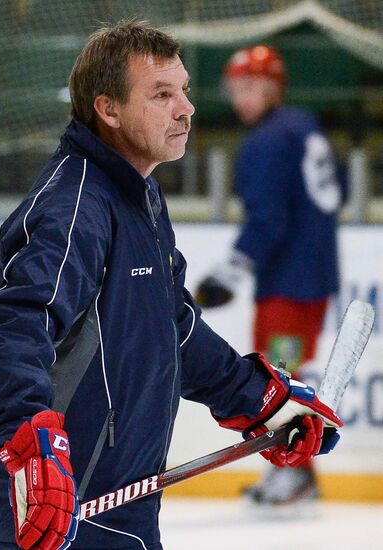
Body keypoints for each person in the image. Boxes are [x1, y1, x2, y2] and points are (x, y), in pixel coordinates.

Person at [0, 24, 342, 550]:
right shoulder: (76, 207)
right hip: (58, 515)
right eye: (162, 95)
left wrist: (259, 397)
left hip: (116, 513)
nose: (187, 109)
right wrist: (28, 447)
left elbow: (172, 329)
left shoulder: (140, 196)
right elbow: (16, 327)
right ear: (109, 110)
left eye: (185, 90)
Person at [195, 45, 348, 506]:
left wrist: (231, 272)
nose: (241, 98)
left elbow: (267, 220)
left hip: (289, 287)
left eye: (250, 87)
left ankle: (296, 472)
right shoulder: (302, 125)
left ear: (272, 86)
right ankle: (297, 470)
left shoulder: (266, 140)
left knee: (281, 376)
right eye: (236, 89)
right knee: (285, 370)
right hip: (311, 282)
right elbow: (333, 189)